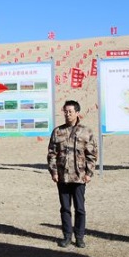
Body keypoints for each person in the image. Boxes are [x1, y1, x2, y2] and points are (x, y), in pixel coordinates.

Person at [47, 100, 98, 248]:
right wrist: (54, 172)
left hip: (79, 177)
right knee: (65, 208)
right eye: (65, 111)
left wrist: (89, 173)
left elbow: (92, 154)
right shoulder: (57, 131)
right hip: (62, 176)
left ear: (77, 113)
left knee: (80, 208)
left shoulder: (86, 131)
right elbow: (52, 154)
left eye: (70, 111)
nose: (67, 114)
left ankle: (80, 237)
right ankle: (67, 236)